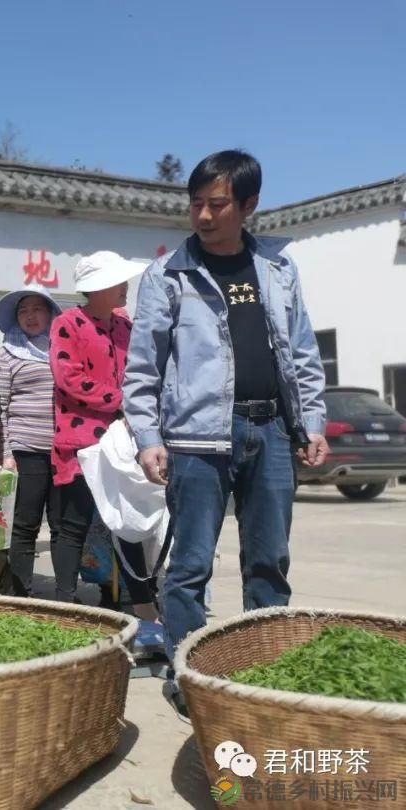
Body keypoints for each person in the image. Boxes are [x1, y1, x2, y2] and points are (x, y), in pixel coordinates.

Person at [123, 150, 328, 719]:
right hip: (195, 441)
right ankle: (191, 679)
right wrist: (147, 436)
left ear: (248, 205)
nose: (204, 216)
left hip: (272, 433)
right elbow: (142, 366)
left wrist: (311, 421)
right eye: (196, 204)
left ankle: (264, 673)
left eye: (217, 205)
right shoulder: (167, 276)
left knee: (269, 562)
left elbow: (302, 352)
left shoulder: (278, 269)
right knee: (189, 568)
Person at [48, 251, 162, 639]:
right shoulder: (67, 323)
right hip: (82, 440)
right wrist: (122, 401)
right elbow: (68, 377)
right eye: (117, 282)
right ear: (95, 288)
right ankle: (64, 604)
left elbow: (142, 374)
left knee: (127, 521)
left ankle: (141, 604)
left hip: (124, 441)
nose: (124, 288)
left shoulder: (126, 326)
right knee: (73, 524)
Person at [0, 285, 62, 597]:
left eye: (37, 309)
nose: (30, 316)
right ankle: (21, 594)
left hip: (64, 449)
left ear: (49, 313)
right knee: (25, 524)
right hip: (26, 449)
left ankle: (65, 594)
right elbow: (0, 407)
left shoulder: (64, 348)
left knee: (62, 526)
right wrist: (6, 451)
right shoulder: (7, 353)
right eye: (23, 311)